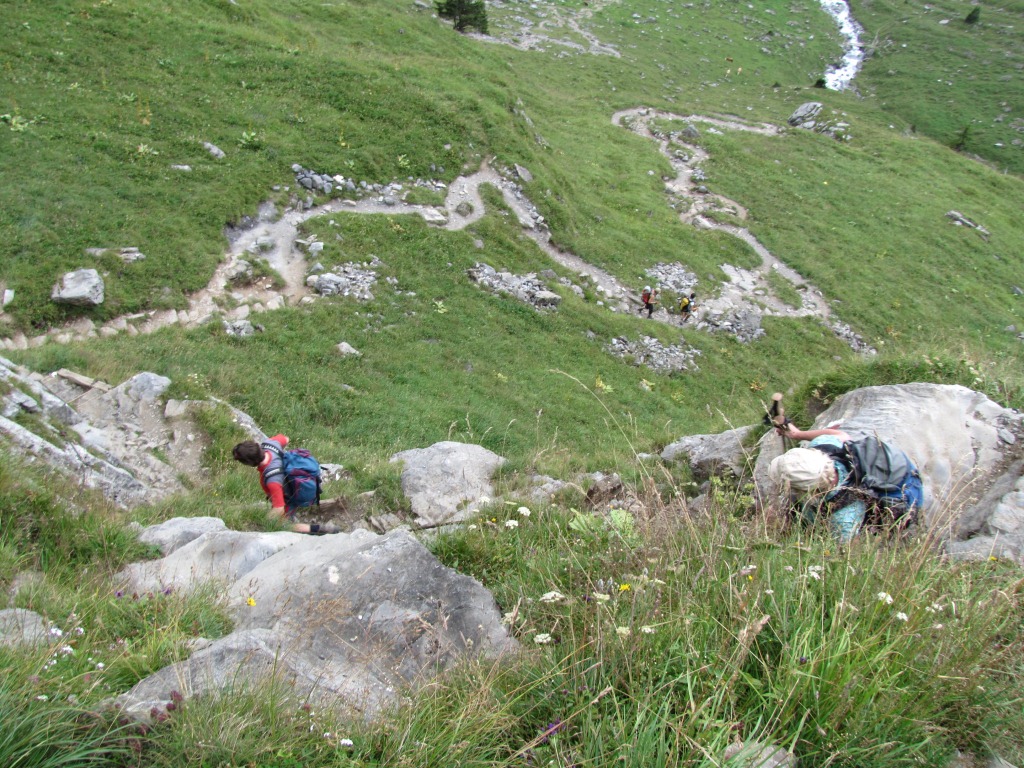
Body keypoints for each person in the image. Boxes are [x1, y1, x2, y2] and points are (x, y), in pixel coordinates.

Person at [768, 423, 924, 543]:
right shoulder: (824, 448)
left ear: (806, 490)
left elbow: (848, 550)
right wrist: (797, 434)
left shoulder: (844, 517)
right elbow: (840, 434)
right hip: (894, 466)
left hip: (904, 492)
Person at [232, 434, 340, 535]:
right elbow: (286, 439)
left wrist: (267, 520)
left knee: (281, 525)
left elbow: (279, 508)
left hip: (290, 496)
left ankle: (319, 529)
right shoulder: (270, 444)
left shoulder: (272, 480)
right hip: (296, 481)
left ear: (249, 463)